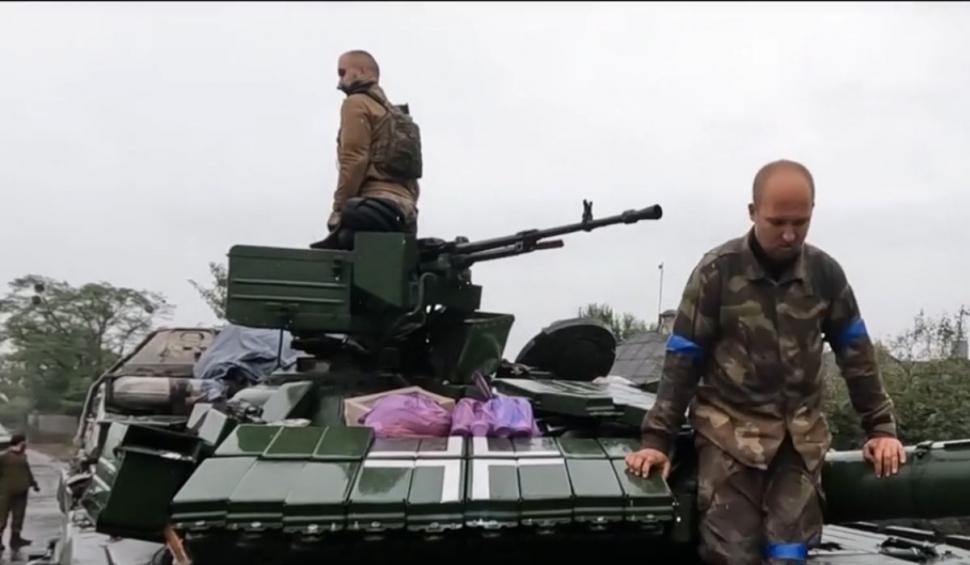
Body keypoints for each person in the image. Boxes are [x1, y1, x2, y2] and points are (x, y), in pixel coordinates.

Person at [625, 159, 907, 565]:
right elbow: (683, 359)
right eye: (777, 222)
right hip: (729, 437)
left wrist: (880, 429)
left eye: (801, 222)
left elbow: (855, 352)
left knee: (790, 554)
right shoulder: (717, 273)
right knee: (733, 555)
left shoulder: (825, 275)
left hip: (799, 441)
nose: (789, 234)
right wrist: (656, 442)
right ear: (753, 212)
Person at [310, 49, 422, 250]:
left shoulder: (356, 103)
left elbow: (354, 159)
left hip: (372, 207)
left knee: (340, 242)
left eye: (343, 72)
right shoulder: (395, 116)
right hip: (403, 211)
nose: (340, 80)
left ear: (361, 71)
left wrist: (339, 209)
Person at [0, 433, 38, 551]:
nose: (25, 445)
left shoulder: (23, 457)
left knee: (18, 516)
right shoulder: (4, 457)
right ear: (20, 443)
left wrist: (33, 483)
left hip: (22, 492)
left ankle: (15, 539)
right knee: (2, 517)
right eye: (24, 443)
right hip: (5, 492)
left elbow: (27, 472)